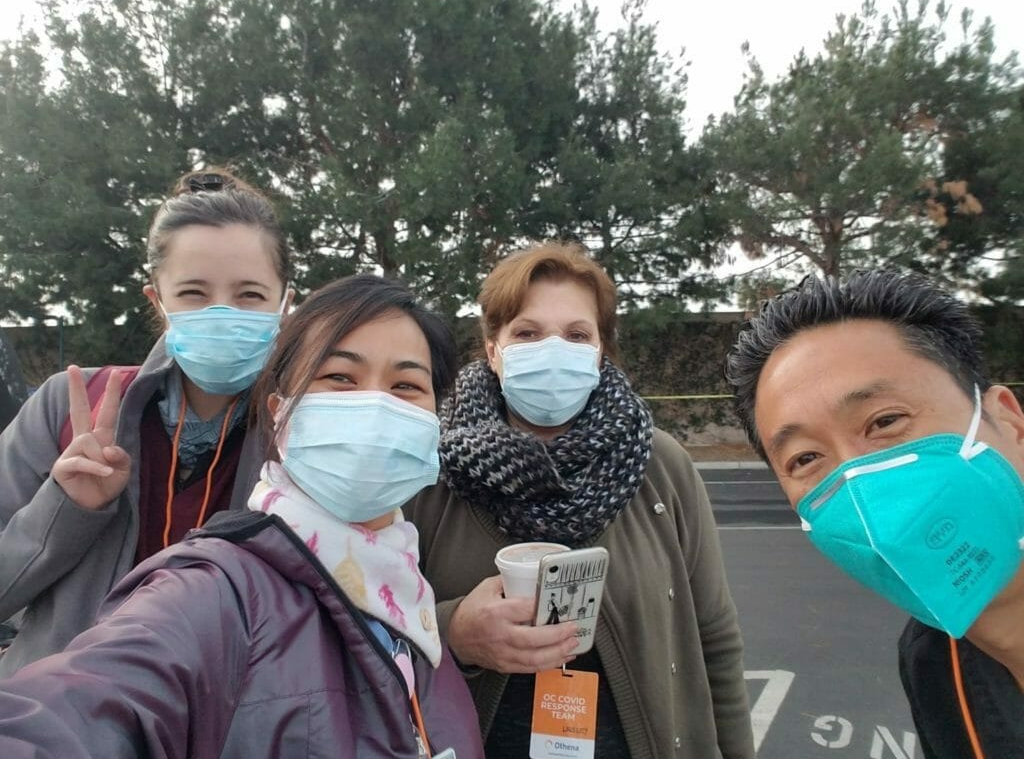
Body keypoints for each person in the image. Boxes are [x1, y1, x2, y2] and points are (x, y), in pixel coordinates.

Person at [0, 274, 485, 759]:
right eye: (339, 377)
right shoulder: (216, 591)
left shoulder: (410, 599)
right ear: (279, 413)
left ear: (434, 421)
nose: (375, 403)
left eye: (407, 385)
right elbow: (82, 710)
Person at [405, 241, 756, 758]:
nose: (553, 349)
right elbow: (370, 636)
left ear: (599, 351)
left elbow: (715, 639)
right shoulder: (430, 472)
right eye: (527, 332)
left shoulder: (661, 465)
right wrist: (453, 632)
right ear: (493, 349)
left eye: (576, 335)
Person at [0, 168, 294, 675]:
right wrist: (66, 509)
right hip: (65, 724)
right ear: (157, 300)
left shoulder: (306, 433)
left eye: (249, 295)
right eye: (194, 294)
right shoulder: (68, 409)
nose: (222, 313)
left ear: (284, 301)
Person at [725, 268, 1024, 759]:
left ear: (1009, 421)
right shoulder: (933, 661)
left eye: (885, 421)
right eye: (805, 459)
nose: (859, 484)